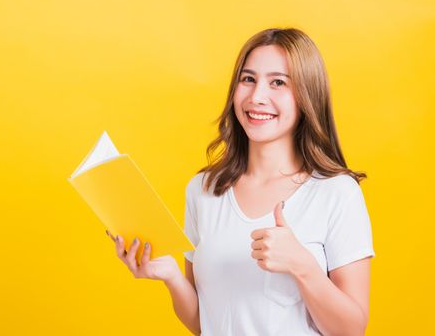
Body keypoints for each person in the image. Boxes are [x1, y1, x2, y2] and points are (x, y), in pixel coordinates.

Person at [107, 27, 375, 336]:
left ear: (307, 96)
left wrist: (303, 266)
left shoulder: (337, 193)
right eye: (248, 79)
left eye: (278, 82)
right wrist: (170, 277)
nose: (257, 97)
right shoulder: (203, 190)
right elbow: (204, 322)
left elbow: (352, 330)